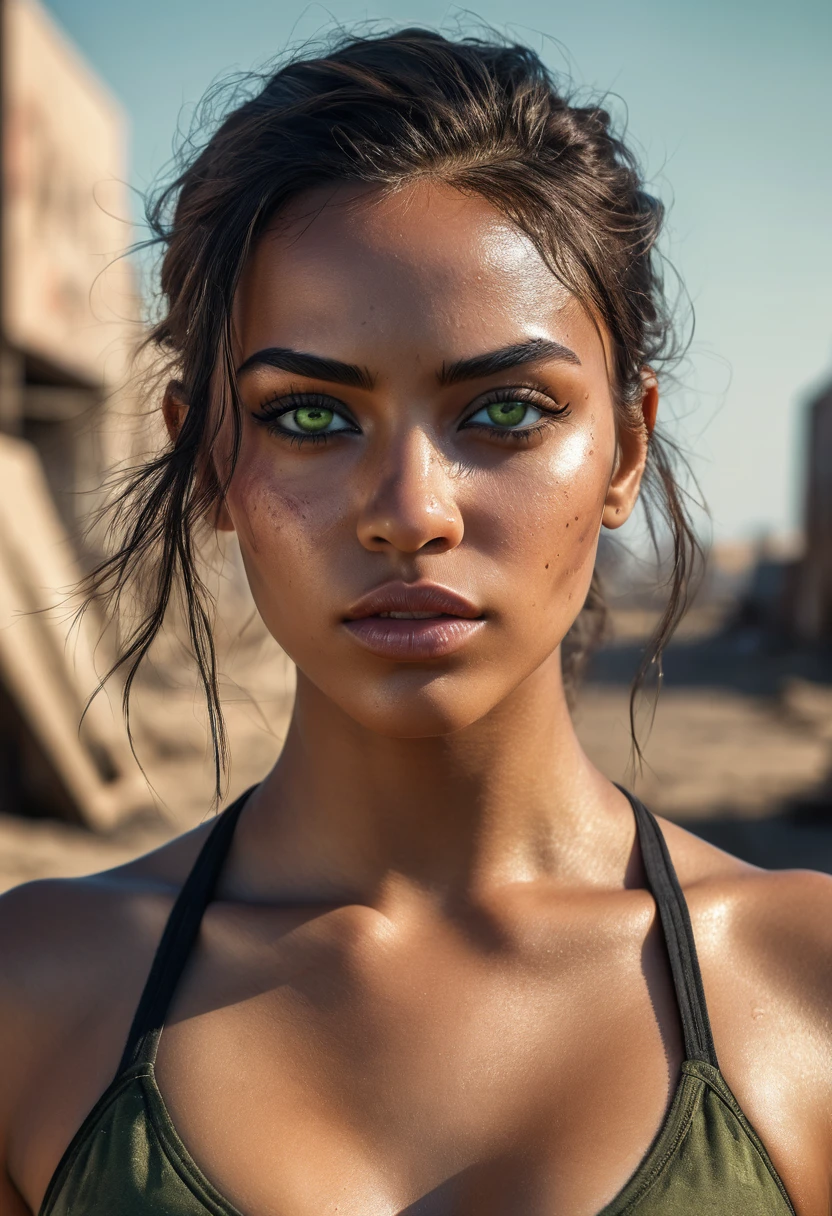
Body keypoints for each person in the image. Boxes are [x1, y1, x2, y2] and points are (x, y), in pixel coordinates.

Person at [0, 28, 829, 1216]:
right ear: (207, 458)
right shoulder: (36, 995)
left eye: (503, 408)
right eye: (309, 417)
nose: (408, 513)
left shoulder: (804, 991)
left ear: (627, 447)